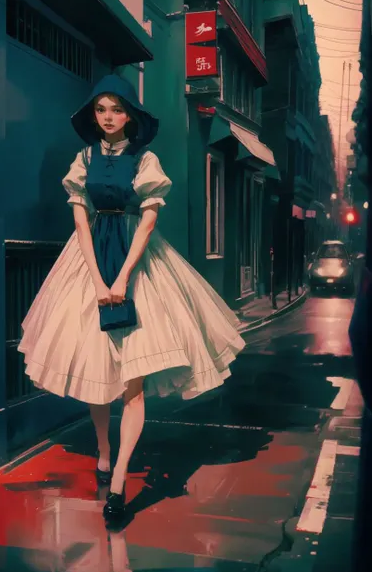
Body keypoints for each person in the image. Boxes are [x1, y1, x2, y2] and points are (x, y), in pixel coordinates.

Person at [19, 74, 245, 522]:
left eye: (117, 109)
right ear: (93, 113)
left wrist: (121, 279)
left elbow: (146, 224)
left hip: (137, 262)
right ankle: (104, 452)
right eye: (101, 109)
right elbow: (80, 224)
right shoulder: (82, 160)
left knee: (132, 380)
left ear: (130, 116)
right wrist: (98, 282)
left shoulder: (146, 160)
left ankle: (119, 478)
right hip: (88, 263)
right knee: (96, 368)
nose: (108, 117)